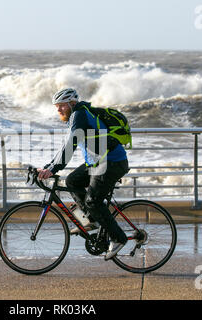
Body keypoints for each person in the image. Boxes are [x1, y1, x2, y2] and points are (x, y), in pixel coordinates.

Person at [37, 88, 130, 260]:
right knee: (72, 181)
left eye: (61, 106)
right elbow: (66, 146)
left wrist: (52, 169)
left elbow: (70, 145)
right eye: (56, 106)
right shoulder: (76, 116)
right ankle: (91, 220)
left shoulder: (79, 115)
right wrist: (48, 166)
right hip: (98, 162)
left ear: (72, 103)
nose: (58, 110)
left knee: (93, 201)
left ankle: (118, 238)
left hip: (112, 162)